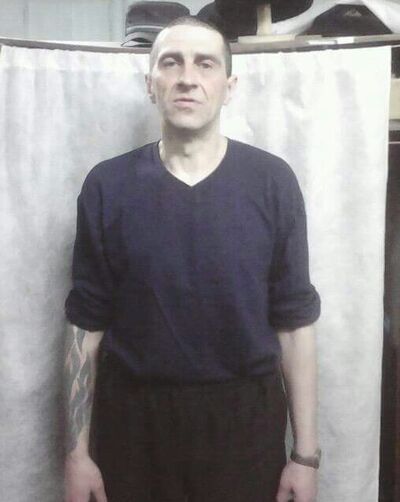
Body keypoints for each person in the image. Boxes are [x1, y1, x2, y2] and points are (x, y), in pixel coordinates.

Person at [64, 15, 321, 502]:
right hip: (133, 429)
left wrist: (305, 456)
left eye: (205, 64)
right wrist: (77, 455)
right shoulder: (107, 186)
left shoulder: (273, 182)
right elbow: (85, 327)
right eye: (171, 62)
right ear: (150, 84)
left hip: (244, 429)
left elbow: (294, 326)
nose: (187, 77)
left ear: (229, 86)